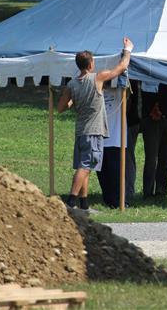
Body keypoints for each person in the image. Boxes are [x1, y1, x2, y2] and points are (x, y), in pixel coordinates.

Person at [55, 37, 133, 212]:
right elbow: (121, 68)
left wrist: (74, 101)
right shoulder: (97, 78)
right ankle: (71, 202)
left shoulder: (72, 84)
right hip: (94, 131)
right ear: (90, 64)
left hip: (81, 131)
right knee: (85, 167)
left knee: (86, 167)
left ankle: (84, 204)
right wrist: (128, 49)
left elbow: (61, 108)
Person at [140, 83, 167, 198]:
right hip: (150, 119)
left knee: (165, 157)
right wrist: (154, 108)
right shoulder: (147, 71)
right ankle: (148, 192)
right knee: (151, 158)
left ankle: (161, 190)